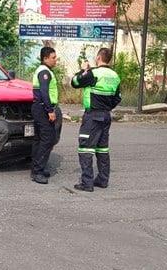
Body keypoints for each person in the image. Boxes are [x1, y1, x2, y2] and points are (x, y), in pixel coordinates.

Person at [70, 48, 121, 192]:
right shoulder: (115, 76)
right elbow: (118, 97)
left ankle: (87, 183)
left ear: (98, 57)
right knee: (102, 149)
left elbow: (75, 82)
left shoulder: (94, 73)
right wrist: (107, 107)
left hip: (92, 116)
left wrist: (82, 70)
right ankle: (103, 180)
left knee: (85, 148)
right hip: (106, 116)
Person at [30, 47, 61, 184]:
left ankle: (37, 168)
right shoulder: (44, 72)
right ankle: (37, 171)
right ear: (45, 58)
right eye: (53, 57)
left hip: (39, 108)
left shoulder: (44, 70)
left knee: (39, 139)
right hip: (43, 109)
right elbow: (44, 92)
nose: (55, 60)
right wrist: (50, 110)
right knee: (47, 139)